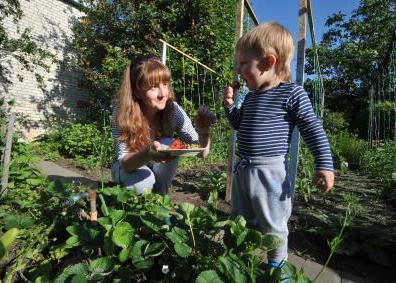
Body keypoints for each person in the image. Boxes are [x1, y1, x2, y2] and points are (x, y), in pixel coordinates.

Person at [223, 22, 334, 274]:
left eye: (242, 64)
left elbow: (312, 128)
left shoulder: (292, 94)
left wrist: (324, 164)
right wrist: (230, 107)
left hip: (270, 174)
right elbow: (239, 123)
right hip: (243, 170)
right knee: (240, 220)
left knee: (274, 225)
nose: (238, 71)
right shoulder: (251, 96)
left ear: (268, 62)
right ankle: (241, 262)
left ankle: (277, 268)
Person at [111, 55, 214, 196]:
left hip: (154, 164)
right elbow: (125, 164)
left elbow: (202, 153)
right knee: (143, 182)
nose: (163, 94)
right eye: (154, 87)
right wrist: (148, 153)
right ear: (137, 91)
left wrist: (204, 132)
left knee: (169, 143)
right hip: (127, 167)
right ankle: (132, 209)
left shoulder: (173, 110)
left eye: (165, 84)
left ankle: (161, 201)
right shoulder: (122, 113)